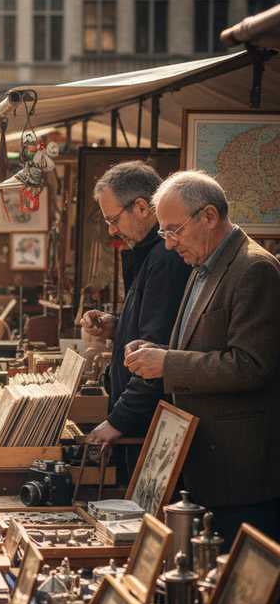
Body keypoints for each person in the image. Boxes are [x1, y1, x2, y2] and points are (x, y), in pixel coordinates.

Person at [125, 170, 280, 545]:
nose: (168, 243)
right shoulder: (201, 264)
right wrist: (161, 353)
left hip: (240, 475)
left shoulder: (254, 268)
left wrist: (168, 364)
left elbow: (251, 365)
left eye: (174, 230)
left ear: (208, 217)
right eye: (164, 232)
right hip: (203, 465)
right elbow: (199, 347)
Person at [82, 162, 191, 480]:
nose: (112, 230)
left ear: (142, 207)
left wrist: (119, 421)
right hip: (141, 422)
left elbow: (156, 353)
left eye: (113, 220)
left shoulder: (166, 259)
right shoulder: (153, 256)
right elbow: (149, 328)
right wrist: (116, 325)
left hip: (147, 425)